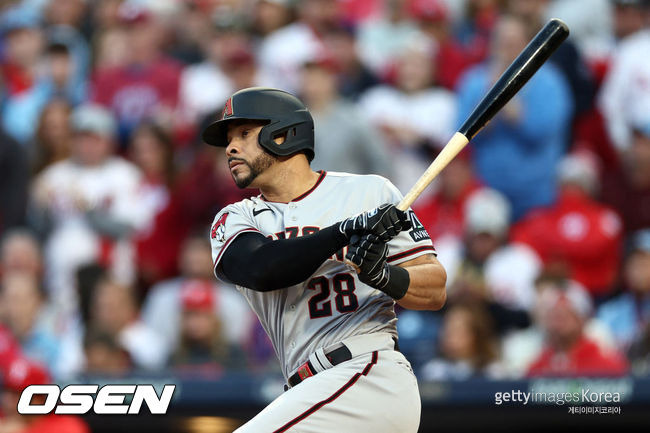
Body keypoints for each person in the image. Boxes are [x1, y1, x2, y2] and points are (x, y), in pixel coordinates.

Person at [203, 87, 446, 432]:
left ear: (284, 134)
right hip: (308, 390)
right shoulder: (236, 218)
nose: (230, 147)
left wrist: (382, 275)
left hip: (366, 376)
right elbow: (262, 269)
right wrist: (343, 232)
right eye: (228, 138)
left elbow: (435, 289)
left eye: (244, 133)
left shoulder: (369, 193)